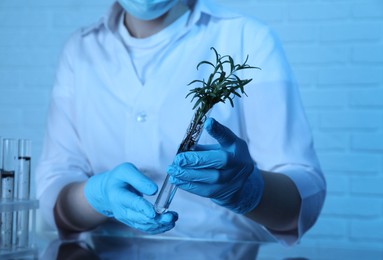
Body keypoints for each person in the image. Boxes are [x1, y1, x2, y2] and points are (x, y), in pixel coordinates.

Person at [36, 0, 326, 246]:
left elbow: (303, 200)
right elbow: (53, 193)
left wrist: (249, 191)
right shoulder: (80, 50)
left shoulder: (246, 38)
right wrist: (94, 197)